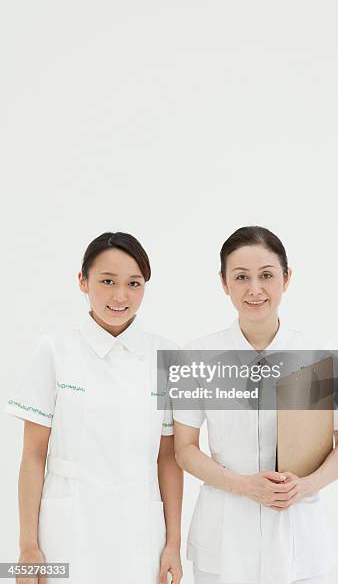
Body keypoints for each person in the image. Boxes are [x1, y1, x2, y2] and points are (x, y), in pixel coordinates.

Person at [173, 226, 338, 584]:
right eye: (241, 277)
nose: (254, 289)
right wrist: (244, 485)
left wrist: (305, 486)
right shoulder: (196, 354)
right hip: (224, 536)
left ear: (286, 278)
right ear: (224, 283)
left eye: (266, 275)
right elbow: (184, 450)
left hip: (300, 537)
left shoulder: (319, 355)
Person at [4, 232, 183, 584]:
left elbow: (169, 459)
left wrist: (173, 544)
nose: (121, 296)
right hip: (67, 528)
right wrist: (28, 546)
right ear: (82, 281)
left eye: (134, 283)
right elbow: (33, 455)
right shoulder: (55, 351)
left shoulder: (167, 356)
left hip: (140, 531)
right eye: (107, 281)